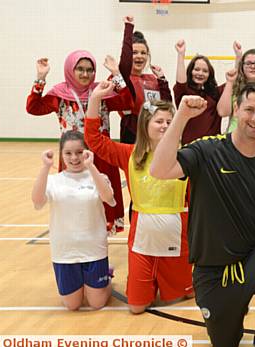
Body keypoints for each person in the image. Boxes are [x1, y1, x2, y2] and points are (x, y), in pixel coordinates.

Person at [150, 83, 255, 347]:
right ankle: (231, 312)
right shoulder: (207, 150)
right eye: (249, 109)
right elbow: (159, 170)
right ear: (236, 109)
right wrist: (181, 117)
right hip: (213, 266)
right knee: (225, 344)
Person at [84, 81, 194, 314]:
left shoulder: (186, 155)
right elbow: (94, 140)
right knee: (136, 306)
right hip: (142, 235)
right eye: (159, 121)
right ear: (146, 124)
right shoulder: (129, 154)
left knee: (185, 296)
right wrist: (94, 100)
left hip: (176, 233)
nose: (165, 126)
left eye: (169, 121)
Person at [26, 50, 131, 235]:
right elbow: (33, 108)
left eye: (90, 70)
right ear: (70, 70)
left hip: (101, 157)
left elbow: (128, 101)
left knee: (104, 203)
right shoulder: (60, 94)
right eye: (80, 69)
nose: (85, 74)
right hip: (72, 156)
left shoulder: (102, 91)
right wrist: (40, 78)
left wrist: (116, 74)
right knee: (73, 202)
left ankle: (99, 248)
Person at [32, 131, 115, 311]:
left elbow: (108, 198)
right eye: (68, 153)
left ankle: (107, 278)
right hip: (64, 251)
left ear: (86, 152)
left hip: (94, 248)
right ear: (61, 154)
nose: (74, 157)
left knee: (96, 303)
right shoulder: (54, 181)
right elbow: (37, 202)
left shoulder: (98, 177)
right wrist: (45, 167)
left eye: (79, 152)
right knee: (72, 305)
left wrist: (92, 167)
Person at [118, 16, 173, 144]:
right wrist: (128, 28)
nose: (139, 56)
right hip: (132, 133)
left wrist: (162, 80)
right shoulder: (123, 79)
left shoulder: (152, 79)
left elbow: (166, 105)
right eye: (134, 52)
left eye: (143, 53)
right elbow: (124, 65)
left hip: (154, 133)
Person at [173, 39, 224, 144]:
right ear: (190, 71)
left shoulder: (214, 93)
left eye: (205, 71)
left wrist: (238, 57)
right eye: (196, 69)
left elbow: (233, 81)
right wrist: (181, 55)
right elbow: (180, 83)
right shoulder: (184, 92)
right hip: (190, 147)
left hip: (212, 147)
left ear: (209, 75)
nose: (200, 73)